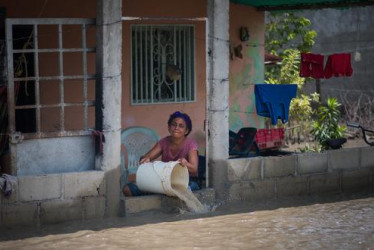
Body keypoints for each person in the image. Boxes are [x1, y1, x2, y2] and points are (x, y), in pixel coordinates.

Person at [123, 111, 200, 196]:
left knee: (182, 189)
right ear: (169, 127)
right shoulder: (164, 142)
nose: (176, 128)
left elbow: (194, 169)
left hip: (186, 180)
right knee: (128, 189)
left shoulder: (191, 144)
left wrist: (185, 163)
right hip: (165, 179)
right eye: (173, 124)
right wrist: (145, 159)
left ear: (186, 131)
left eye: (181, 126)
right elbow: (147, 157)